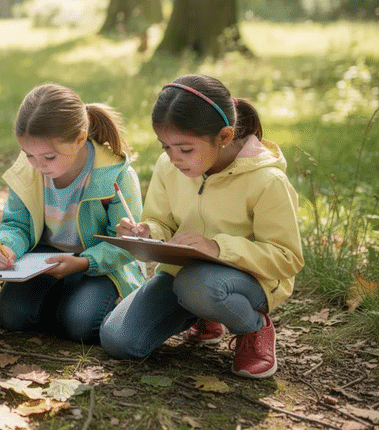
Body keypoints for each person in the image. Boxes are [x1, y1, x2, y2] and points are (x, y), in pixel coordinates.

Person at [99, 74, 303, 379]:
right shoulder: (168, 167)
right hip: (184, 277)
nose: (174, 158)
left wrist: (218, 247)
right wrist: (146, 232)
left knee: (198, 286)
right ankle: (204, 315)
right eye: (165, 146)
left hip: (248, 282)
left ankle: (254, 326)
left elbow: (288, 258)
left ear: (223, 137)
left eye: (185, 149)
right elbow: (161, 222)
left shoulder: (267, 181)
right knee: (118, 340)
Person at [0, 84, 144, 344]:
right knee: (12, 316)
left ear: (80, 139)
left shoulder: (116, 175)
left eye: (48, 157)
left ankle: (86, 303)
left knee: (80, 326)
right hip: (45, 261)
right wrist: (5, 245)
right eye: (29, 155)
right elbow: (17, 223)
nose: (38, 166)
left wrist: (84, 263)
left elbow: (127, 245)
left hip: (99, 265)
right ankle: (64, 300)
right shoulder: (29, 170)